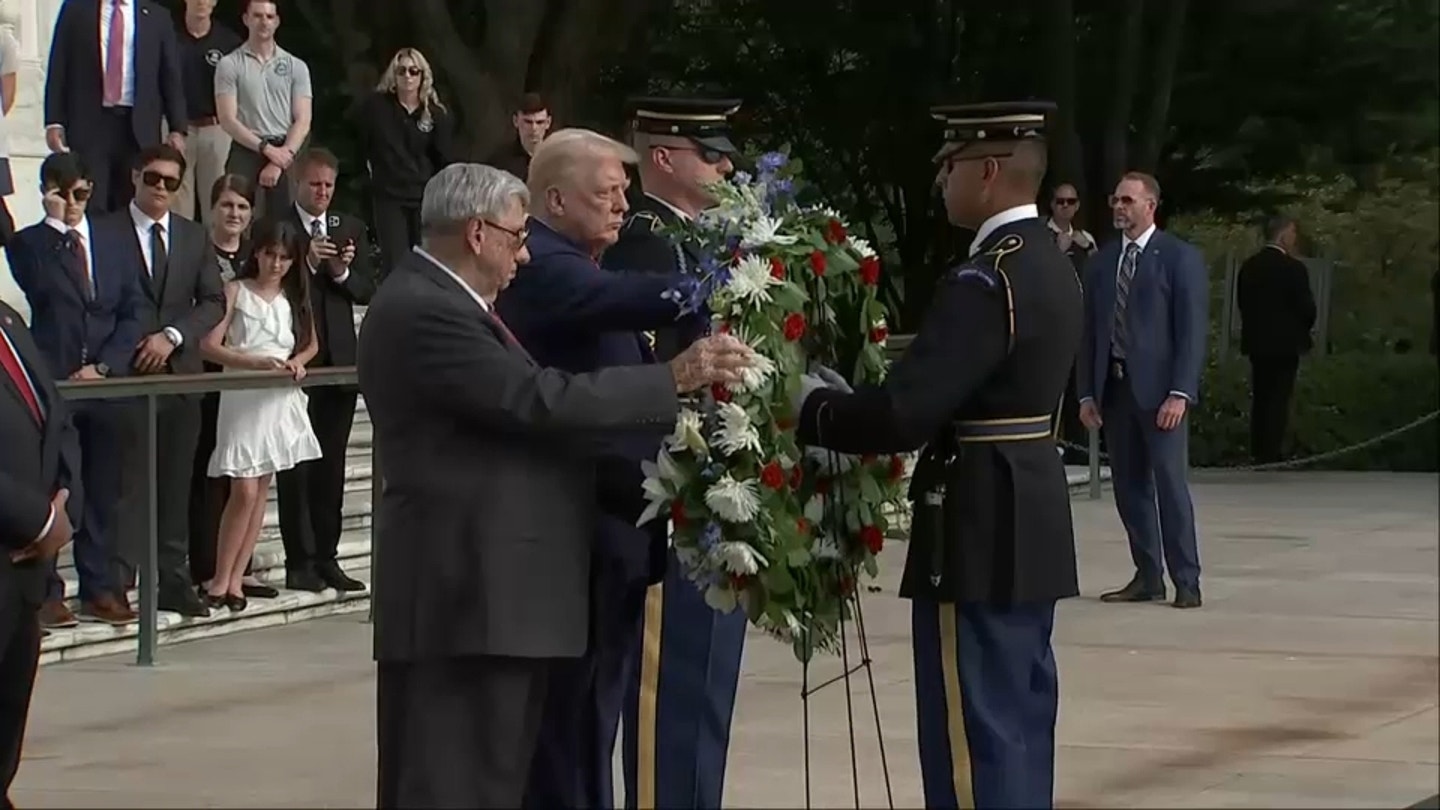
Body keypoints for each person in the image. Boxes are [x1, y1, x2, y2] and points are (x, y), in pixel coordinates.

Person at [360, 163, 754, 809]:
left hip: (489, 593)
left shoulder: (447, 301)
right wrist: (671, 379)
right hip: (465, 592)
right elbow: (532, 398)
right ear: (478, 233)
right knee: (455, 779)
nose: (525, 255)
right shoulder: (426, 308)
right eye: (518, 238)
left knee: (494, 774)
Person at [791, 101, 1083, 810]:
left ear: (987, 172)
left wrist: (810, 408)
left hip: (977, 517)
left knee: (971, 732)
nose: (941, 182)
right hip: (1030, 503)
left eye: (949, 166)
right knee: (1017, 719)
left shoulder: (986, 279)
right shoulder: (1051, 262)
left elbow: (905, 413)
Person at [494, 125, 708, 810]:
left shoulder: (580, 263)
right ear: (554, 199)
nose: (622, 205)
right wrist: (732, 277)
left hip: (608, 526)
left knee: (593, 717)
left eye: (624, 191)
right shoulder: (546, 264)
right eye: (606, 192)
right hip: (576, 530)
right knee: (574, 724)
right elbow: (630, 302)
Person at [602, 96, 750, 810]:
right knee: (673, 692)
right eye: (710, 151)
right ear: (663, 157)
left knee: (705, 693)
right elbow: (656, 373)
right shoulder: (646, 242)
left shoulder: (697, 238)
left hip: (710, 486)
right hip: (672, 490)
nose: (726, 163)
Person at [4, 152, 143, 627]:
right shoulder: (32, 244)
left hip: (101, 383)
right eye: (65, 194)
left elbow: (133, 308)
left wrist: (106, 366)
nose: (75, 203)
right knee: (60, 486)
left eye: (82, 193)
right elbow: (37, 287)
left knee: (106, 487)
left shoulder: (112, 240)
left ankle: (100, 586)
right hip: (57, 383)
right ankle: (47, 591)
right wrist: (55, 225)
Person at [104, 143, 224, 618]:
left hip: (180, 375)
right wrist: (131, 347)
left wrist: (172, 336)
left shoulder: (194, 237)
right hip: (127, 373)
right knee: (126, 483)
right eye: (152, 178)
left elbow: (213, 300)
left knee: (175, 482)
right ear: (136, 176)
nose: (160, 189)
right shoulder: (107, 229)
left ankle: (172, 580)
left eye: (171, 182)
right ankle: (116, 581)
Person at [1077, 171, 1208, 609]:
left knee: (1170, 485)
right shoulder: (1101, 262)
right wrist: (1085, 394)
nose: (1119, 207)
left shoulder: (1178, 258)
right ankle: (1148, 574)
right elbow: (1089, 332)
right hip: (1114, 390)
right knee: (1129, 488)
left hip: (1160, 395)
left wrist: (1181, 392)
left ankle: (1186, 579)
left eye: (1129, 200)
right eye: (1116, 200)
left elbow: (1190, 332)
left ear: (1151, 205)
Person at [200, 218, 320, 611]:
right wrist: (251, 363)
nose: (276, 264)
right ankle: (220, 576)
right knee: (244, 488)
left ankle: (235, 579)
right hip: (242, 394)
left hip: (277, 397)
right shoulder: (235, 290)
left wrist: (297, 363)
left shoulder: (293, 296)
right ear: (258, 253)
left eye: (285, 258)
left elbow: (311, 344)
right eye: (271, 254)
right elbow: (210, 346)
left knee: (261, 489)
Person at [274, 147, 374, 593]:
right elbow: (270, 283)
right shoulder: (279, 227)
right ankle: (300, 560)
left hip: (341, 364)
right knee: (296, 467)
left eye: (329, 185)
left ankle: (328, 557)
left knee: (331, 467)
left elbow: (364, 288)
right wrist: (308, 263)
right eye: (315, 184)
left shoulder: (348, 226)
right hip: (299, 362)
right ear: (298, 183)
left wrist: (338, 271)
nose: (323, 193)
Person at [1, 299, 82, 808]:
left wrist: (64, 495)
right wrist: (41, 519)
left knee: (8, 714)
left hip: (25, 574)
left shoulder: (9, 321)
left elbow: (57, 416)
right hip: (16, 539)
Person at [190, 174, 277, 598]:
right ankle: (207, 567)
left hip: (249, 388)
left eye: (242, 207)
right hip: (207, 373)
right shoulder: (196, 251)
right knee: (212, 476)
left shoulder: (253, 254)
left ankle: (235, 570)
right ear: (212, 208)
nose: (235, 214)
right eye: (227, 205)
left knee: (251, 481)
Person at [43, 0, 188, 213]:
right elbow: (59, 64)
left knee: (132, 201)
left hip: (138, 126)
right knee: (92, 198)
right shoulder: (77, 9)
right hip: (91, 123)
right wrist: (53, 121)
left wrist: (177, 128)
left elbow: (170, 76)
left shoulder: (157, 16)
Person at [355, 48, 457, 276]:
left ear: (423, 76)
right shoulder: (376, 108)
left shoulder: (436, 114)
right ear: (394, 75)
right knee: (395, 262)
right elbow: (361, 146)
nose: (408, 77)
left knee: (427, 261)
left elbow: (443, 159)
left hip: (424, 196)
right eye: (402, 71)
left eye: (414, 71)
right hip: (389, 195)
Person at [214, 0, 313, 219]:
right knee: (237, 213)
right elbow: (227, 119)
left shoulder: (296, 66)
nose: (264, 22)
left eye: (269, 17)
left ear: (277, 22)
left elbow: (303, 119)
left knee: (287, 221)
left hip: (288, 148)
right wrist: (266, 149)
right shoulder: (229, 64)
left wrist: (282, 157)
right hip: (247, 147)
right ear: (246, 19)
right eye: (257, 16)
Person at [1236, 214, 1316, 465]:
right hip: (1286, 344)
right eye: (1292, 233)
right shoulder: (1294, 269)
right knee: (1279, 398)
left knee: (1261, 397)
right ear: (1283, 234)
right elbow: (1307, 309)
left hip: (1258, 343)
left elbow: (1243, 304)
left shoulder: (1249, 267)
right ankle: (1273, 451)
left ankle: (1259, 449)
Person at [174, 0, 245, 224]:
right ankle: (179, 257)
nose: (201, 2)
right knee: (177, 203)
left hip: (215, 128)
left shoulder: (229, 42)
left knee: (216, 201)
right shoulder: (167, 35)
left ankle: (215, 257)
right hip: (176, 128)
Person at [485, 92, 551, 180]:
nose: (534, 128)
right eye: (528, 122)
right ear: (515, 121)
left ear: (548, 123)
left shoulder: (558, 160)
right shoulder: (500, 162)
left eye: (540, 122)